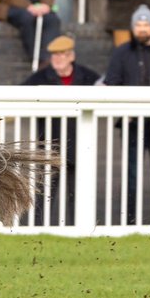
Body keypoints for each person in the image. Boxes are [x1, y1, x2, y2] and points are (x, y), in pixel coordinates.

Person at [22, 35, 100, 225]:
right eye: (54, 55)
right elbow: (21, 93)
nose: (58, 59)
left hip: (78, 144)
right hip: (50, 143)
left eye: (62, 55)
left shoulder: (86, 76)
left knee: (78, 192)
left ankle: (79, 228)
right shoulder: (40, 77)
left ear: (71, 56)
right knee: (44, 193)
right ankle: (37, 229)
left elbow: (104, 87)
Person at [104, 7, 150, 224]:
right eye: (138, 25)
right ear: (133, 27)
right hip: (132, 122)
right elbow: (112, 81)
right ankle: (130, 222)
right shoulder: (122, 51)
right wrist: (123, 107)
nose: (142, 29)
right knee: (131, 175)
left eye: (146, 25)